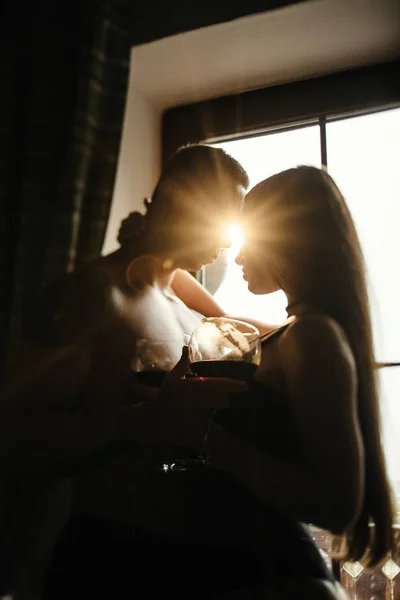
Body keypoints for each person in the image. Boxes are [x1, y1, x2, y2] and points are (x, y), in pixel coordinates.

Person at [0, 144, 251, 597]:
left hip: (190, 560)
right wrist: (137, 421)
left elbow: (255, 333)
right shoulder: (94, 295)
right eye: (221, 219)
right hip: (109, 562)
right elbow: (12, 435)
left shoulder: (181, 297)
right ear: (178, 197)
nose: (230, 242)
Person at [191, 165, 393, 596]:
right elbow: (212, 313)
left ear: (287, 239)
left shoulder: (311, 335)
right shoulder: (295, 330)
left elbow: (339, 505)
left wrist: (210, 440)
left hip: (279, 577)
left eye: (248, 240)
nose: (239, 256)